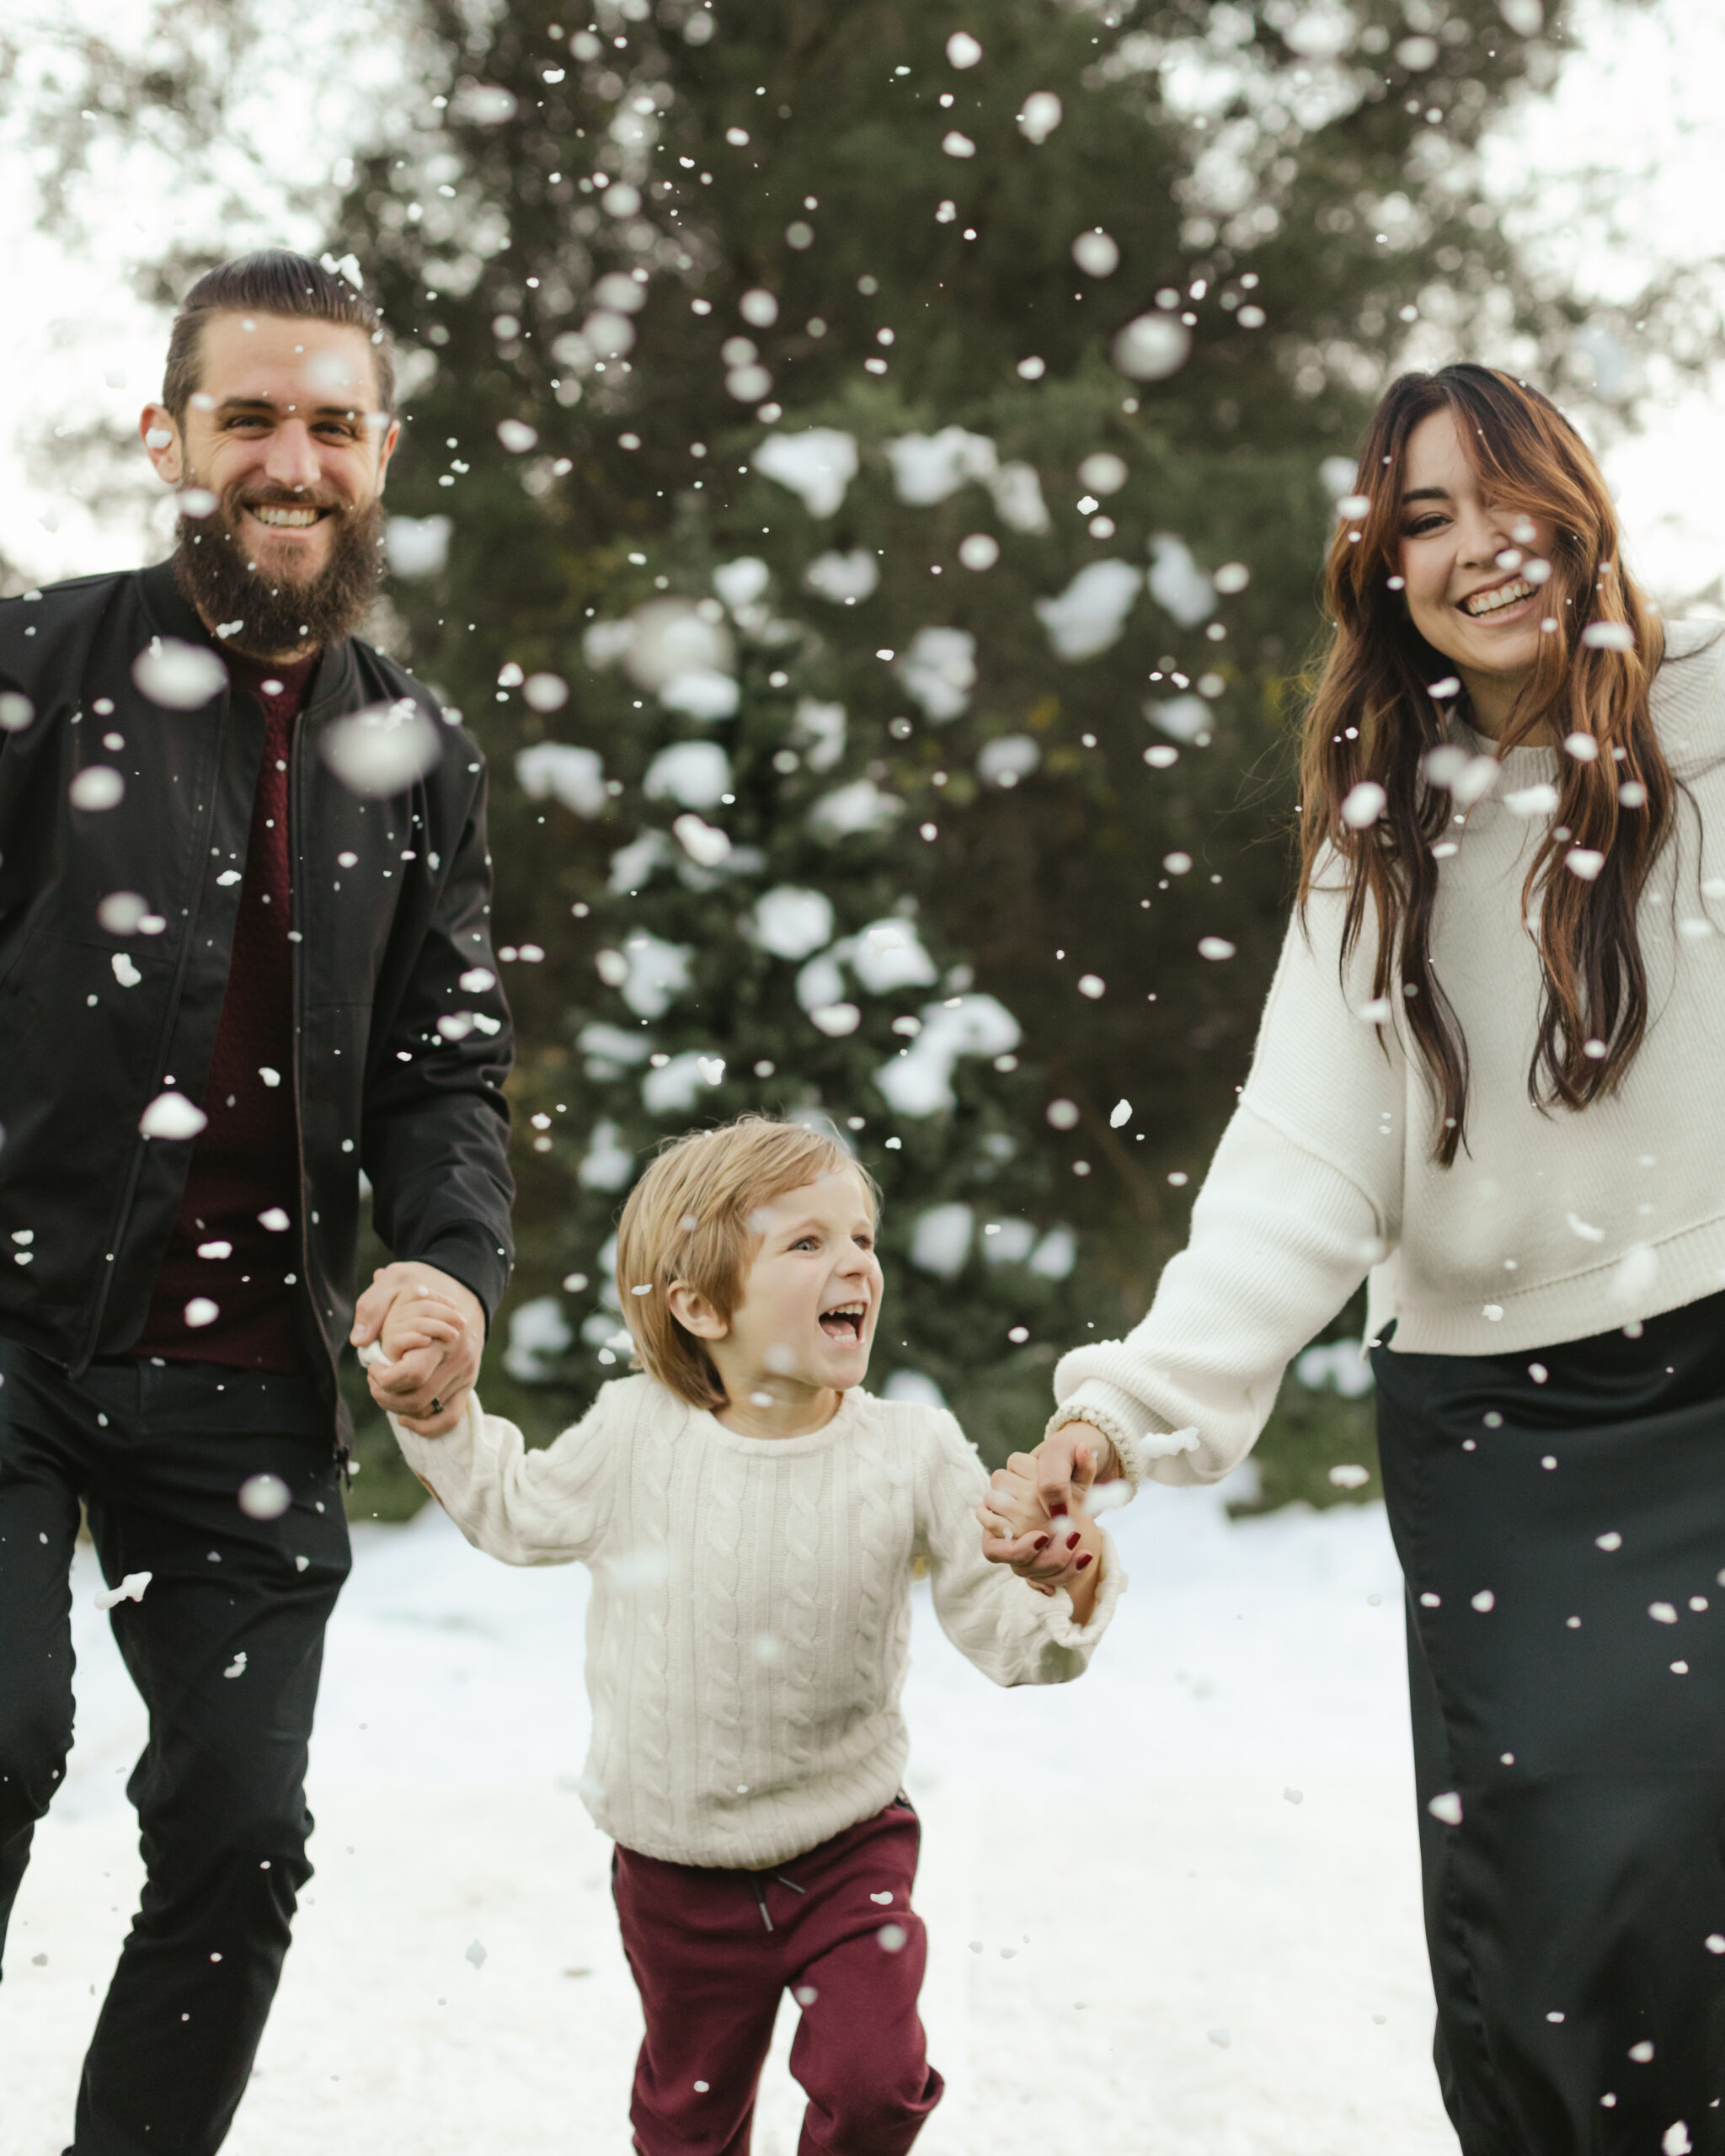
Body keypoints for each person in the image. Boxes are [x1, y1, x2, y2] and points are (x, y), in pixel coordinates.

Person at [993, 363, 1725, 2152]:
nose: (1478, 546)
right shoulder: (1375, 843)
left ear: (1580, 504)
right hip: (1514, 1432)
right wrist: (1124, 1416)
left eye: (1506, 496)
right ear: (1377, 568)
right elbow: (1299, 1167)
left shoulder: (1711, 715)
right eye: (1423, 517)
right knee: (1570, 1911)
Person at [0, 250, 515, 2155]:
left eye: (330, 422)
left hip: (247, 1378)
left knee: (239, 1830)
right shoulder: (37, 666)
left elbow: (441, 1063)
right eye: (248, 418)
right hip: (10, 1324)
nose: (288, 460)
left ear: (381, 452)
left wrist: (446, 1266)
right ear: (168, 438)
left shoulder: (421, 753)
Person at [376, 1115, 1118, 2156]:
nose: (854, 1259)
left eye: (860, 1236)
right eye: (806, 1242)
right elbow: (514, 1508)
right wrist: (440, 1410)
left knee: (874, 2083)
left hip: (847, 1847)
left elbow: (1009, 1642)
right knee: (687, 2122)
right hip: (673, 1867)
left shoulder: (911, 1451)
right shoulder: (635, 1432)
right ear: (699, 1303)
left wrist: (1065, 1576)